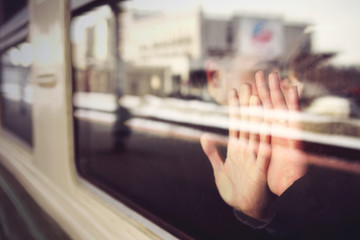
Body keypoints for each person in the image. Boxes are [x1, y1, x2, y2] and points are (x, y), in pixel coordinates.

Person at [201, 68, 360, 239]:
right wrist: (262, 213)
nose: (283, 84)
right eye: (286, 78)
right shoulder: (263, 160)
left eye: (296, 79)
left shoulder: (343, 171)